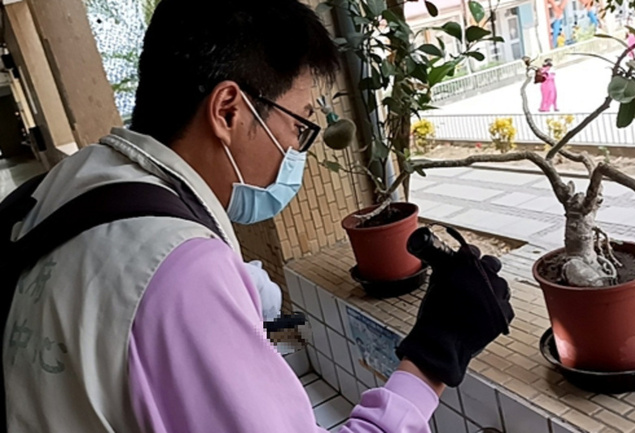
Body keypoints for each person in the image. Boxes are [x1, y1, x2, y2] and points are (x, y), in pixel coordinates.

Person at [2, 1, 513, 432]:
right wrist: (431, 359)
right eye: (300, 124)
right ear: (228, 110)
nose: (297, 151)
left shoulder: (72, 181)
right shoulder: (179, 271)